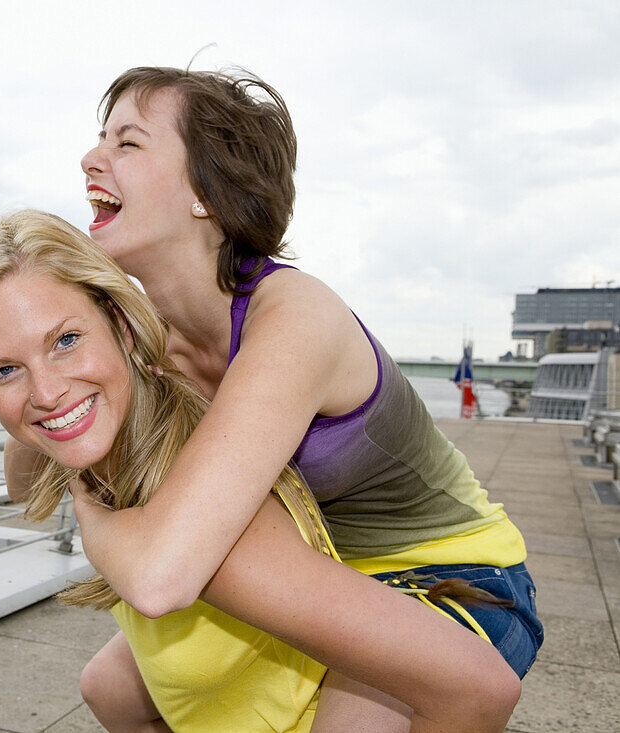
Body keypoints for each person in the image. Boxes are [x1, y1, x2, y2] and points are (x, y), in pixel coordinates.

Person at [37, 65, 543, 730]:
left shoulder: (294, 315)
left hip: (453, 577)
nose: (90, 158)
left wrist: (92, 518)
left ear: (206, 194)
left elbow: (162, 571)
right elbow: (31, 453)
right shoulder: (150, 340)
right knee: (110, 687)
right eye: (100, 138)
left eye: (127, 143)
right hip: (324, 575)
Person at [0, 209, 520, 732]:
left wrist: (91, 515)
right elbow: (25, 480)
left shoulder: (203, 526)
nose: (45, 390)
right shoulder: (126, 445)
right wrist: (56, 430)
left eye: (66, 340)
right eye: (3, 372)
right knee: (106, 687)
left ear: (123, 325)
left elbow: (478, 689)